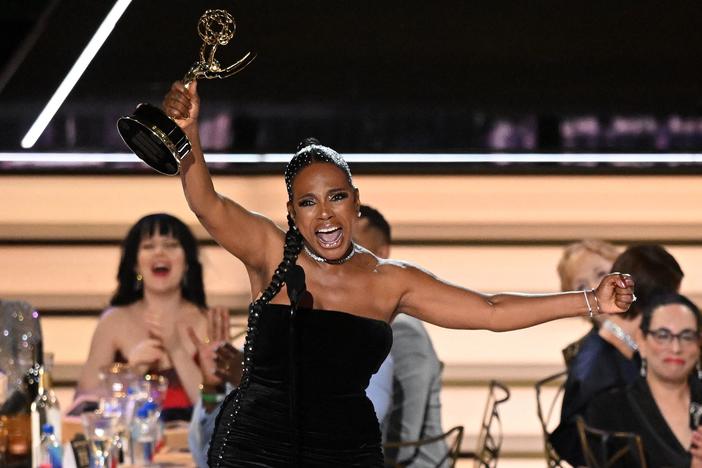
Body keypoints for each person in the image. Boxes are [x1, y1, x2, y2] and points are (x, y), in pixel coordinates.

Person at [162, 80, 634, 467]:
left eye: (336, 197)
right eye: (308, 202)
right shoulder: (268, 251)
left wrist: (590, 299)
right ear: (291, 212)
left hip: (346, 455)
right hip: (254, 452)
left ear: (356, 201)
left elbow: (491, 310)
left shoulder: (391, 280)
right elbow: (208, 202)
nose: (324, 214)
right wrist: (188, 133)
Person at [187, 307, 394, 468]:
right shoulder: (258, 349)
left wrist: (258, 384)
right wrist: (212, 390)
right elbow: (202, 453)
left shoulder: (365, 350)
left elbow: (341, 441)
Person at [551, 243, 683, 465]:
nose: (595, 290)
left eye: (601, 275)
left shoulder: (637, 340)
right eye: (582, 287)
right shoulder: (600, 365)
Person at [76, 213, 214, 421]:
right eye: (148, 246)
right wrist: (131, 372)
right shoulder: (113, 321)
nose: (160, 252)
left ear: (187, 262)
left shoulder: (208, 322)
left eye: (171, 245)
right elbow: (83, 405)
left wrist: (176, 350)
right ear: (135, 265)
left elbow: (217, 410)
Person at [356, 204, 448, 467]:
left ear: (383, 254)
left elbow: (403, 440)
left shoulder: (402, 331)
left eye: (354, 247)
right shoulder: (356, 323)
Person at [587, 292, 702, 467]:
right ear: (642, 340)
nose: (676, 348)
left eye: (687, 336)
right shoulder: (608, 410)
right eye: (663, 335)